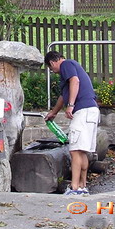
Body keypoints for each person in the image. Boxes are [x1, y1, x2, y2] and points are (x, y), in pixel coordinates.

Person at [43, 50, 100, 196]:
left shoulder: (66, 65)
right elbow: (64, 95)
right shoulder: (70, 69)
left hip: (82, 111)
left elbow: (75, 81)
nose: (53, 71)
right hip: (91, 111)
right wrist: (54, 112)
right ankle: (82, 186)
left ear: (52, 62)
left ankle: (74, 188)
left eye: (51, 68)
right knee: (82, 150)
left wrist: (71, 105)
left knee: (74, 150)